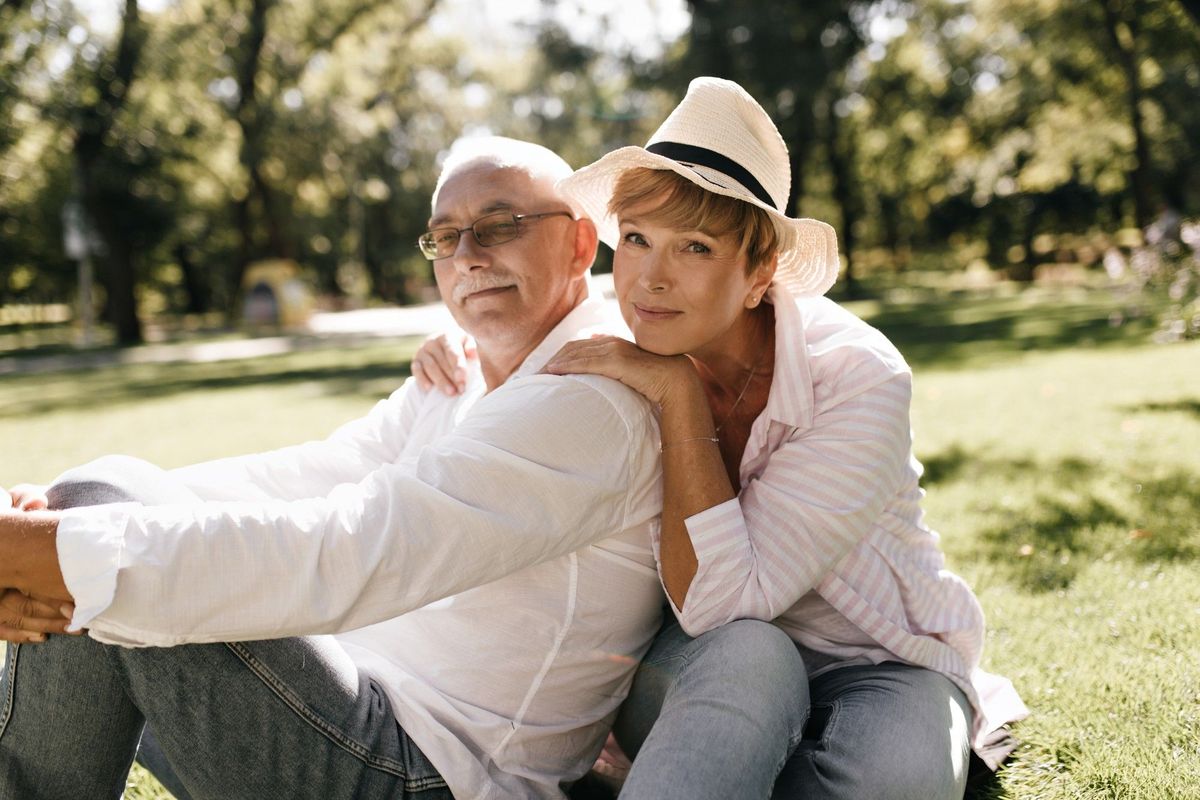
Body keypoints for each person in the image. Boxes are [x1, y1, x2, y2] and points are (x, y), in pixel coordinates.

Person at [0, 135, 801, 800]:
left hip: (431, 774)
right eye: (444, 237)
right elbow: (322, 472)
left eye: (499, 225)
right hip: (353, 709)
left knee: (94, 535)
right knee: (95, 503)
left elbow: (361, 546)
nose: (467, 255)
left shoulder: (591, 406)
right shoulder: (462, 373)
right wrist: (47, 529)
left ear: (580, 242)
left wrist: (41, 549)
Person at [413, 77, 1030, 799]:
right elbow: (716, 620)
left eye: (695, 248)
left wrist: (678, 398)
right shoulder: (626, 340)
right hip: (706, 656)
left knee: (893, 783)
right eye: (637, 239)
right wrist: (453, 343)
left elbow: (732, 593)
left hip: (877, 656)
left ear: (760, 271)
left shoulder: (856, 378)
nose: (650, 279)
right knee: (743, 663)